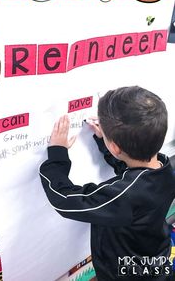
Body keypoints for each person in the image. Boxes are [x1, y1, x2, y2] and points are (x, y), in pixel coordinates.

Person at [39, 86, 175, 281]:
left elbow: (65, 200)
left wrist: (57, 153)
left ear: (115, 147)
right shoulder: (163, 168)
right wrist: (106, 143)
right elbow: (132, 172)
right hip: (155, 262)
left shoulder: (125, 196)